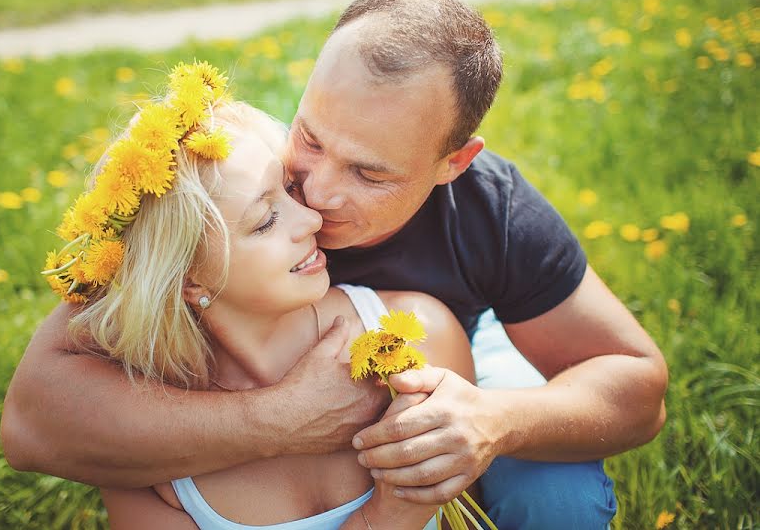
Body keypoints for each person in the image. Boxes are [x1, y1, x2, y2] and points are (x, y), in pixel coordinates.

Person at [2, 0, 668, 528]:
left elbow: (638, 383)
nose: (314, 195)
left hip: (466, 341)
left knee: (558, 504)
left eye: (369, 174)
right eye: (311, 137)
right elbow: (36, 420)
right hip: (267, 387)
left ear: (453, 163)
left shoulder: (492, 210)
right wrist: (283, 421)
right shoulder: (232, 186)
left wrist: (495, 420)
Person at [35, 70, 473, 528]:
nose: (310, 217)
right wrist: (394, 512)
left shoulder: (420, 335)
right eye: (264, 220)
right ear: (190, 281)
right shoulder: (144, 442)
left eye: (289, 187)